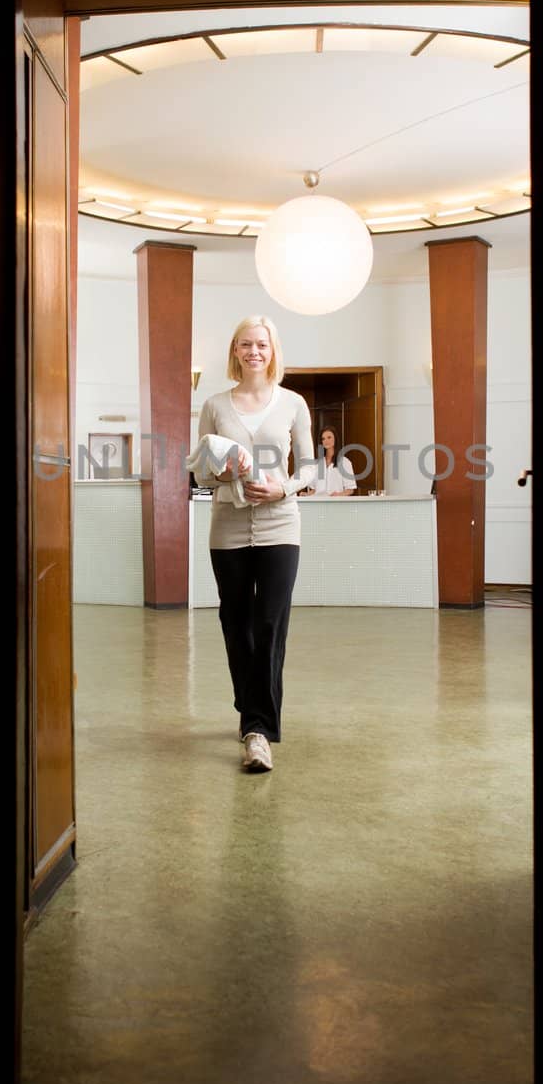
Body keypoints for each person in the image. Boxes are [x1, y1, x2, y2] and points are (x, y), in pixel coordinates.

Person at [196, 315, 316, 773]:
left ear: (272, 351)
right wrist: (218, 473)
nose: (254, 352)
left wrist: (283, 488)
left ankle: (257, 731)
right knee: (236, 623)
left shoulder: (293, 404)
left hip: (280, 527)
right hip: (227, 528)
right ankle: (251, 706)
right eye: (245, 344)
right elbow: (200, 470)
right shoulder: (214, 405)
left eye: (261, 345)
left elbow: (308, 467)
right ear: (235, 351)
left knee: (270, 624)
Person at [303, 425, 358, 496]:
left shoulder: (344, 462)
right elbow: (315, 490)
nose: (326, 441)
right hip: (318, 504)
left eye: (329, 437)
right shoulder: (317, 464)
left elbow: (350, 490)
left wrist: (339, 494)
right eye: (323, 439)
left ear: (335, 439)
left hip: (336, 504)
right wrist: (307, 494)